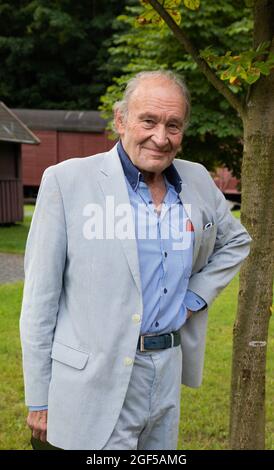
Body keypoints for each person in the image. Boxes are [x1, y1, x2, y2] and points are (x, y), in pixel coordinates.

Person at [20, 70, 252, 450]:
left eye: (173, 125)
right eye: (149, 121)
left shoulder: (195, 179)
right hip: (91, 380)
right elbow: (39, 302)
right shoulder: (67, 181)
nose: (161, 138)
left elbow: (236, 240)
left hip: (164, 374)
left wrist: (193, 298)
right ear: (121, 120)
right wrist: (40, 398)